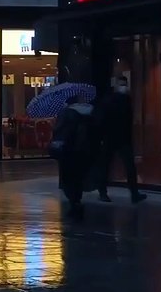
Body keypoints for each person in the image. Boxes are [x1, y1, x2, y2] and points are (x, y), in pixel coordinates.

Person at [95, 75, 146, 204]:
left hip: (119, 137)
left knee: (122, 166)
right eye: (121, 84)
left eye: (124, 84)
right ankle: (105, 192)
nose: (123, 87)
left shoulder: (121, 99)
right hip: (114, 136)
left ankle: (132, 193)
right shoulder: (114, 100)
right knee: (110, 165)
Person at [52, 95, 96, 220]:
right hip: (85, 150)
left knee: (69, 177)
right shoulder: (90, 112)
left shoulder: (66, 113)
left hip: (69, 150)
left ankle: (74, 202)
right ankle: (78, 199)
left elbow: (60, 131)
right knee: (79, 177)